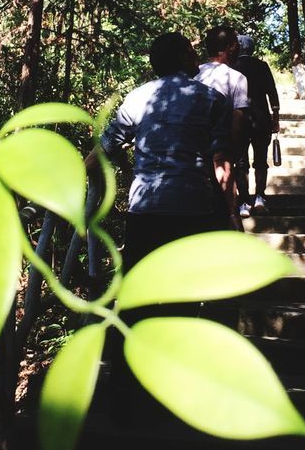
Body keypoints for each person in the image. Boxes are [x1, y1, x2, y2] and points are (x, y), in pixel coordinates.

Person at [86, 31, 235, 273]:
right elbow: (221, 161)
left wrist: (80, 170)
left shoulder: (137, 97)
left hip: (146, 209)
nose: (196, 55)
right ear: (183, 56)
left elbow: (109, 142)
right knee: (185, 292)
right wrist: (232, 213)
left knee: (137, 297)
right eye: (190, 49)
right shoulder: (213, 100)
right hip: (193, 208)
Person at [195, 24, 250, 221]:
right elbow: (238, 118)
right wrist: (236, 152)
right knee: (228, 213)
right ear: (229, 48)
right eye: (236, 45)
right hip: (220, 155)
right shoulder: (237, 78)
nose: (238, 49)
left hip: (189, 156)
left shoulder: (194, 74)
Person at [233, 34, 280, 215]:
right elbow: (272, 93)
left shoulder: (232, 67)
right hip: (262, 120)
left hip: (239, 120)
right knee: (261, 161)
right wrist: (275, 118)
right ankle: (260, 197)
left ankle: (244, 202)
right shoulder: (262, 66)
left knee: (241, 162)